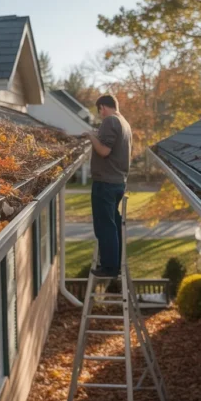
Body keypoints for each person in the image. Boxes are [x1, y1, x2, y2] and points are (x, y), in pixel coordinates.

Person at [81, 94, 132, 277]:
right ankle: (114, 264)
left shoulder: (110, 120)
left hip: (105, 183)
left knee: (104, 226)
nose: (101, 115)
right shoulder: (124, 122)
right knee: (113, 224)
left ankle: (109, 267)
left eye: (100, 111)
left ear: (102, 107)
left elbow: (103, 150)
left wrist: (90, 136)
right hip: (118, 183)